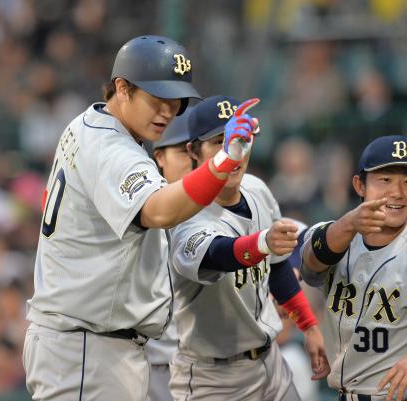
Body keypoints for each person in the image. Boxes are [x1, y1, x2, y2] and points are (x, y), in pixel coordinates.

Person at [23, 35, 261, 401]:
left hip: (89, 346)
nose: (168, 111)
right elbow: (159, 210)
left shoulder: (88, 124)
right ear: (122, 88)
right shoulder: (111, 147)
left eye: (176, 101)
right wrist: (224, 161)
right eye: (157, 98)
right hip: (87, 349)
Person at [168, 95, 330, 401]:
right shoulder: (183, 207)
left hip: (271, 363)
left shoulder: (256, 188)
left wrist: (308, 326)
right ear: (192, 151)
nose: (234, 152)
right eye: (219, 142)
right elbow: (217, 254)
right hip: (213, 379)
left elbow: (279, 267)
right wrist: (262, 242)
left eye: (241, 140)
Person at [300, 135, 407, 401]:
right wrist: (348, 224)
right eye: (385, 179)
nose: (397, 191)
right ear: (359, 184)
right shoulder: (335, 235)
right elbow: (313, 264)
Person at [146, 108, 193, 401]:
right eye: (182, 151)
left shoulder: (225, 205)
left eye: (196, 149)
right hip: (155, 367)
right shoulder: (142, 207)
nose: (193, 159)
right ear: (159, 157)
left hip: (207, 369)